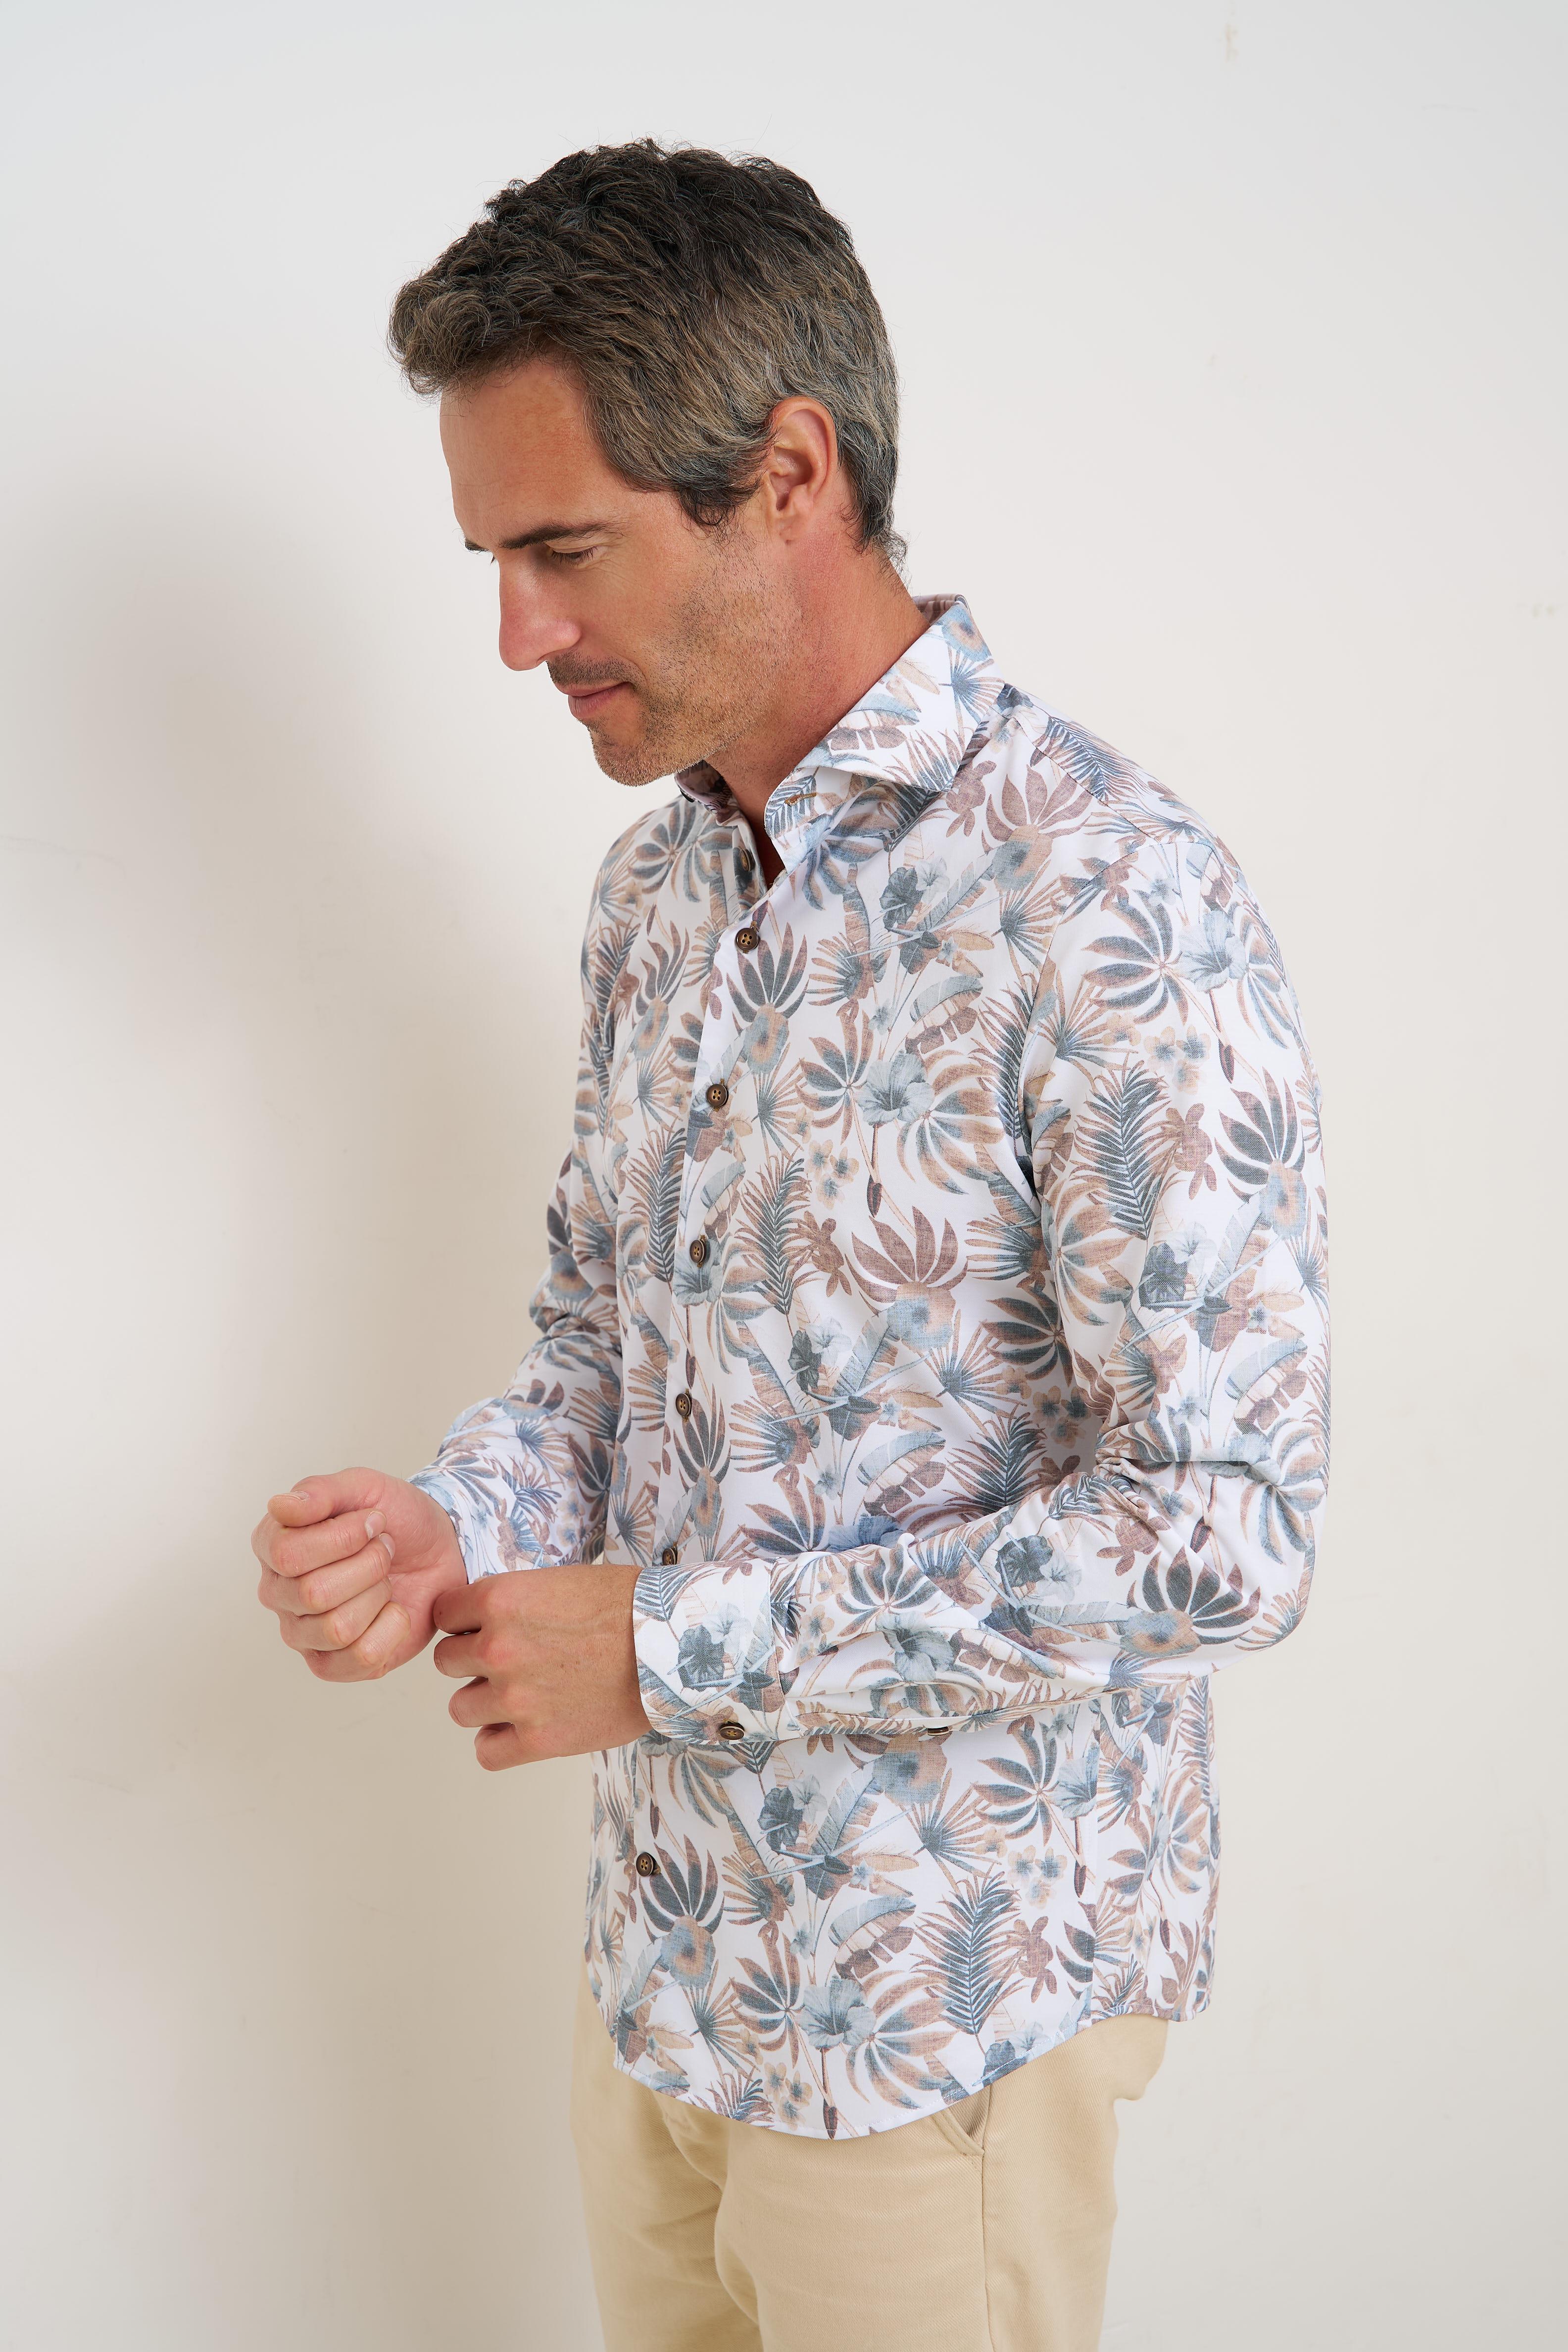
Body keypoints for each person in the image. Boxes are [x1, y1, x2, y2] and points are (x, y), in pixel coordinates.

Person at [251, 141, 1329, 2352]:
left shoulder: (1106, 895)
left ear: (791, 476)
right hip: (667, 1979)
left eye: (564, 549)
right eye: (492, 558)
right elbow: (597, 1354)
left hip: (940, 2020)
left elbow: (1229, 1530)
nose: (517, 634)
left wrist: (676, 1652)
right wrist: (454, 1522)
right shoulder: (657, 898)